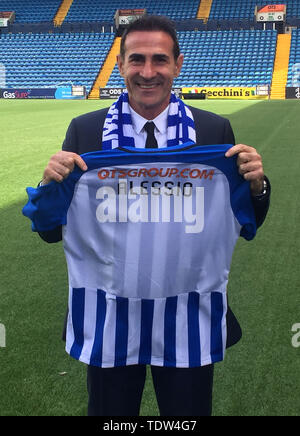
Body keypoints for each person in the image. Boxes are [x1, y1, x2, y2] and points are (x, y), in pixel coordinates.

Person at [36, 15, 270, 416]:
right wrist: (51, 186)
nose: (148, 72)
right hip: (109, 316)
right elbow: (54, 231)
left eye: (159, 60)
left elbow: (243, 221)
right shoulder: (85, 131)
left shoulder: (213, 131)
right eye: (137, 59)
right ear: (121, 63)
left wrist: (256, 184)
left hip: (187, 316)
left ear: (177, 64)